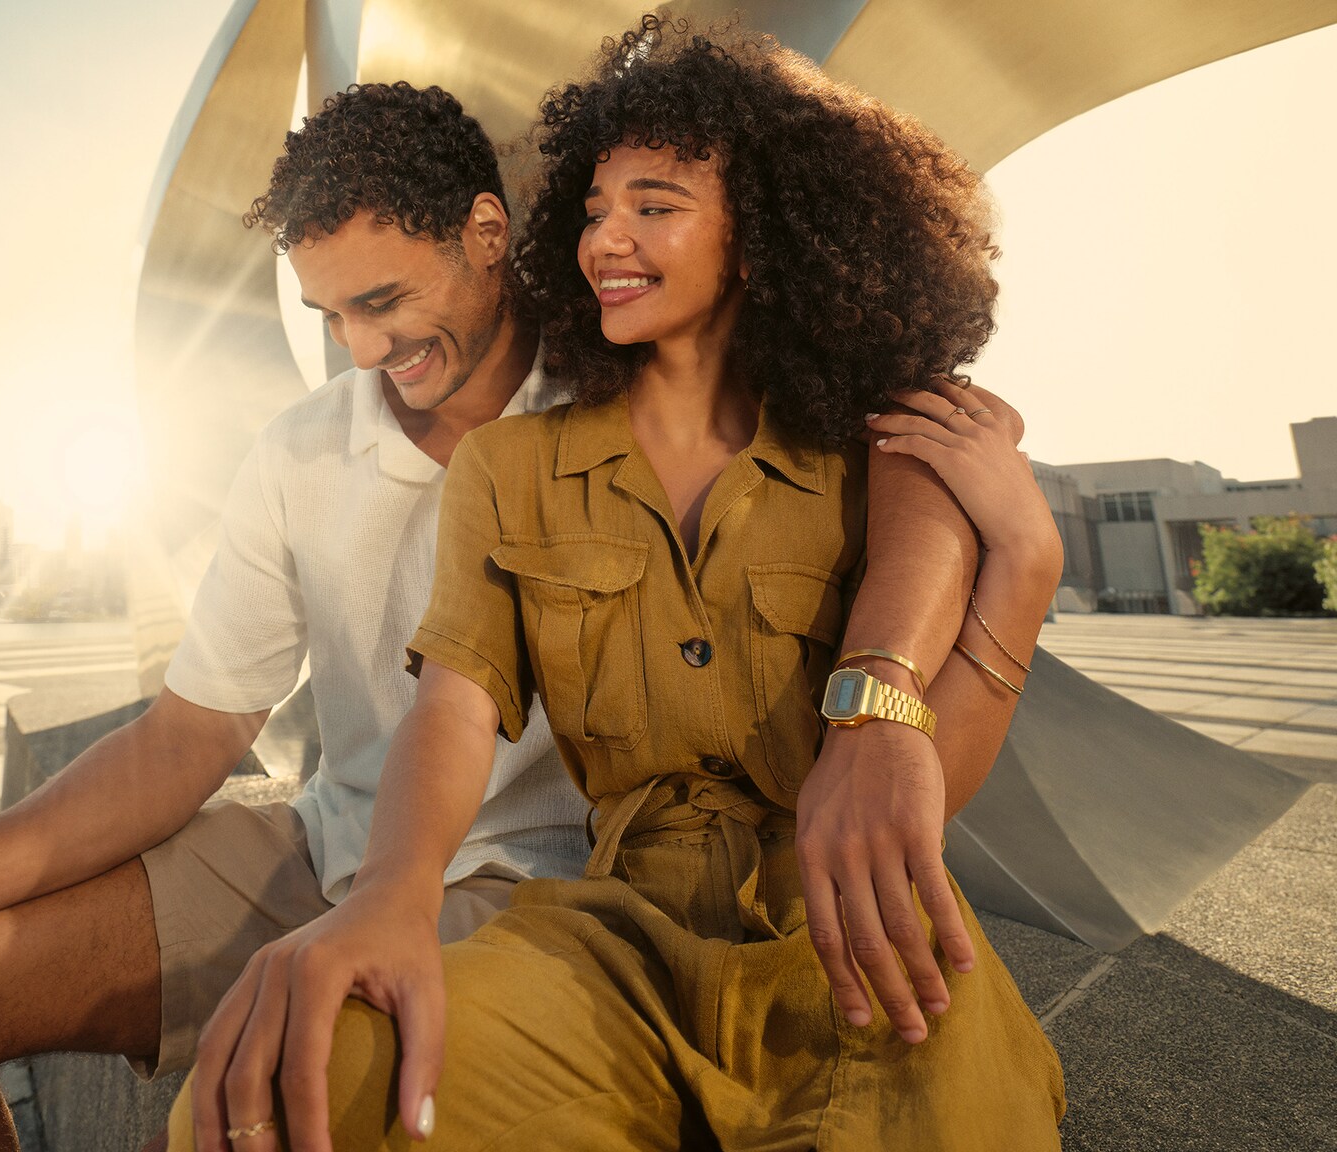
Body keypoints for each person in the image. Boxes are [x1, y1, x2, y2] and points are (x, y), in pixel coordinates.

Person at [0, 81, 998, 1152]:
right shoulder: (303, 452)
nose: (362, 353)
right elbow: (180, 742)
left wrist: (887, 693)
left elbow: (918, 447)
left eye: (383, 303)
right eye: (328, 316)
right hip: (323, 855)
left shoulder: (641, 371)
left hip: (553, 896)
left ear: (488, 234)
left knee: (281, 1097)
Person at [173, 17, 1065, 1152]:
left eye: (655, 204)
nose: (606, 238)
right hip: (608, 942)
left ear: (761, 232)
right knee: (296, 1089)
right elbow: (450, 708)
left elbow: (913, 789)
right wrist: (390, 898)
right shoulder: (512, 464)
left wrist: (1016, 575)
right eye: (593, 209)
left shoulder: (872, 455)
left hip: (856, 955)